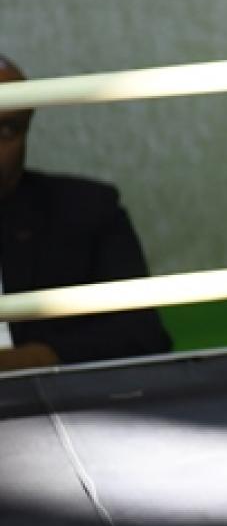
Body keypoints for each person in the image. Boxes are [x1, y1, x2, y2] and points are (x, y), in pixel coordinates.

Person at [0, 55, 173, 373]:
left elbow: (143, 336)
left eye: (8, 129)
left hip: (60, 411)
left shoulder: (86, 210)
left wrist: (28, 360)